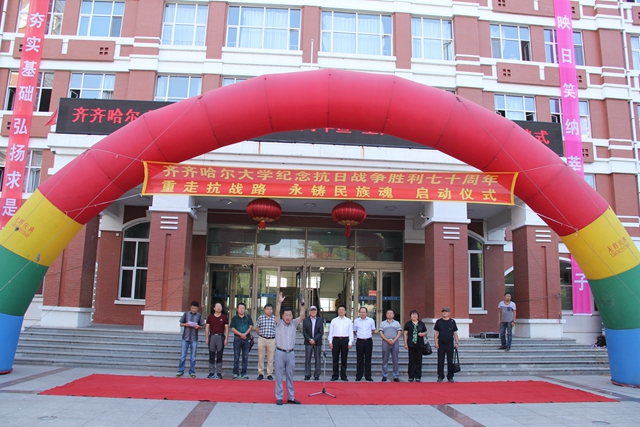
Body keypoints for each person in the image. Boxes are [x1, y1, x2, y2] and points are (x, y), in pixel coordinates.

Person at [274, 291, 306, 405]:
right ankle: (279, 397)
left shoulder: (294, 323)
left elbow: (302, 317)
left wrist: (302, 306)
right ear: (283, 316)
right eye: (286, 315)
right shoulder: (278, 323)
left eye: (290, 315)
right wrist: (279, 303)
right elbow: (276, 314)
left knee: (290, 375)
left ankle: (291, 397)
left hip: (290, 353)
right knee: (279, 376)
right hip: (280, 352)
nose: (288, 317)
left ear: (292, 316)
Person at [176, 301, 204, 378]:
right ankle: (180, 371)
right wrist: (186, 324)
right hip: (185, 337)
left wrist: (198, 327)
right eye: (193, 308)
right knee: (183, 356)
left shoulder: (199, 315)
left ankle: (192, 371)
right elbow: (181, 324)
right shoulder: (186, 314)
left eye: (195, 308)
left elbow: (202, 326)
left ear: (198, 308)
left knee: (193, 357)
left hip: (194, 338)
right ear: (190, 307)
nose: (194, 310)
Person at [328, 304, 353, 381]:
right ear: (337, 311)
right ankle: (335, 375)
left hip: (345, 340)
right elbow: (331, 332)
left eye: (342, 310)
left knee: (344, 358)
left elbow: (350, 332)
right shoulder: (334, 320)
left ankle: (343, 375)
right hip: (336, 340)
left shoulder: (348, 321)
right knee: (335, 358)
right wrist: (330, 342)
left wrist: (350, 342)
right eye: (339, 310)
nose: (341, 311)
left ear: (345, 312)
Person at [434, 307, 459, 383]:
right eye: (443, 312)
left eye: (446, 312)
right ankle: (440, 376)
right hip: (441, 343)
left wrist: (457, 342)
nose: (444, 313)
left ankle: (450, 376)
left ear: (449, 313)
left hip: (450, 344)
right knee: (440, 361)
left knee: (450, 361)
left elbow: (455, 332)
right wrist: (436, 342)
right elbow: (436, 333)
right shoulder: (439, 322)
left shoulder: (452, 322)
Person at [205, 302, 228, 379]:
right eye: (217, 306)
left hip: (220, 337)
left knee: (219, 355)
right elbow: (207, 327)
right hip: (212, 336)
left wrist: (226, 339)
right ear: (214, 308)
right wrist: (206, 338)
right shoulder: (210, 317)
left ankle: (219, 372)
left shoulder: (224, 317)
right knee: (211, 354)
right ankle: (211, 372)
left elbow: (226, 328)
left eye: (220, 306)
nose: (218, 308)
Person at [230, 302, 253, 379]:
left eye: (243, 308)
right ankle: (235, 373)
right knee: (236, 356)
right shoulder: (234, 318)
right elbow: (232, 328)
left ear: (245, 309)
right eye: (240, 308)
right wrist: (240, 334)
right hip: (237, 339)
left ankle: (244, 373)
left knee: (245, 357)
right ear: (237, 309)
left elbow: (250, 326)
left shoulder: (248, 317)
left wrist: (245, 334)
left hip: (246, 339)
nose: (241, 309)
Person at [403, 309, 427, 382]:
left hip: (420, 345)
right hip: (411, 344)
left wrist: (423, 334)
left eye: (415, 314)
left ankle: (418, 376)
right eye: (412, 314)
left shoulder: (421, 324)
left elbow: (426, 332)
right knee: (411, 361)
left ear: (418, 316)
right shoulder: (408, 324)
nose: (414, 316)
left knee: (419, 361)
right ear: (410, 316)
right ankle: (411, 376)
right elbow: (405, 334)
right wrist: (405, 343)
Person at [353, 306, 376, 381]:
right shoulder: (356, 321)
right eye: (361, 312)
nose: (362, 313)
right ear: (359, 313)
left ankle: (368, 376)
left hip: (368, 341)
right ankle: (359, 376)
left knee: (368, 358)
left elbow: (373, 330)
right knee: (359, 358)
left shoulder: (371, 320)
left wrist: (367, 336)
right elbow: (354, 331)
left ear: (366, 313)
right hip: (360, 341)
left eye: (364, 312)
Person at [379, 309, 402, 382]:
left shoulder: (397, 323)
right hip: (385, 342)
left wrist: (394, 340)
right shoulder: (382, 323)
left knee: (395, 359)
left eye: (391, 313)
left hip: (395, 342)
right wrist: (387, 340)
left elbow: (399, 332)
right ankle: (384, 375)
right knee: (385, 359)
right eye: (388, 313)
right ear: (386, 315)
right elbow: (381, 333)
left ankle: (396, 375)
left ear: (393, 315)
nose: (389, 314)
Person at [302, 305, 324, 381]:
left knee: (317, 358)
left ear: (316, 311)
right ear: (309, 311)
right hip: (308, 342)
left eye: (314, 310)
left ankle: (317, 375)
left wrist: (314, 339)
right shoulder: (305, 320)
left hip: (317, 342)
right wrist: (309, 339)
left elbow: (321, 332)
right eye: (312, 310)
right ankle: (307, 374)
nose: (313, 312)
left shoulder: (320, 320)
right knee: (308, 358)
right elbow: (304, 331)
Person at [255, 303, 276, 380]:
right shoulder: (261, 317)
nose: (269, 310)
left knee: (270, 358)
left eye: (270, 309)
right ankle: (260, 373)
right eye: (267, 309)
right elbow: (257, 328)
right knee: (261, 357)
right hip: (262, 339)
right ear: (264, 310)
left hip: (272, 339)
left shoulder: (275, 318)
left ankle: (269, 374)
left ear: (272, 310)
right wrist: (260, 335)